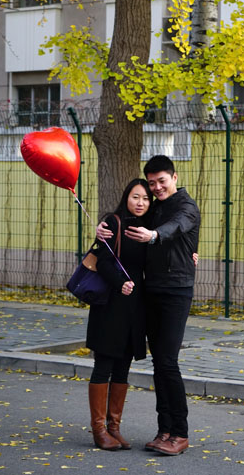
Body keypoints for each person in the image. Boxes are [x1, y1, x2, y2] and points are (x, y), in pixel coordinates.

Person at [125, 154, 201, 456]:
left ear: (175, 178)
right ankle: (164, 430)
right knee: (159, 363)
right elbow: (130, 216)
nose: (156, 187)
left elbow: (177, 227)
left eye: (161, 181)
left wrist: (155, 235)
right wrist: (105, 230)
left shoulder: (186, 207)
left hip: (176, 292)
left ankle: (180, 433)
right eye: (152, 182)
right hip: (152, 290)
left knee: (168, 362)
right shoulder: (154, 207)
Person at [86, 178, 152, 451]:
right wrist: (118, 282)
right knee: (105, 363)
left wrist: (190, 254)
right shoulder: (113, 223)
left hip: (135, 306)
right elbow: (101, 260)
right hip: (111, 303)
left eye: (146, 198)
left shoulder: (150, 228)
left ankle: (115, 427)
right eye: (136, 197)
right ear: (127, 197)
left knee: (124, 365)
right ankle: (99, 429)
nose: (141, 203)